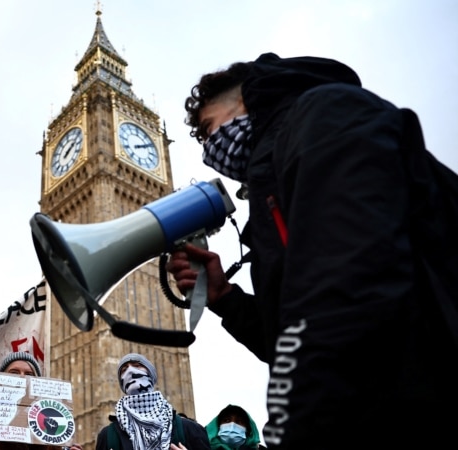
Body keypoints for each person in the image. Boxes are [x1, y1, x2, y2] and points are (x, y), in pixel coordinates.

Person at [166, 52, 458, 448]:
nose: (209, 148)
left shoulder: (322, 115)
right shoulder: (273, 181)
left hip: (417, 392)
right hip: (382, 396)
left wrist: (298, 422)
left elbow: (350, 281)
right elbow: (292, 334)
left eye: (207, 128)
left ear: (242, 99)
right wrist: (226, 299)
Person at [94, 353, 210, 450]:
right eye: (124, 370)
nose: (130, 371)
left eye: (137, 366)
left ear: (150, 373)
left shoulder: (190, 429)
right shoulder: (108, 436)